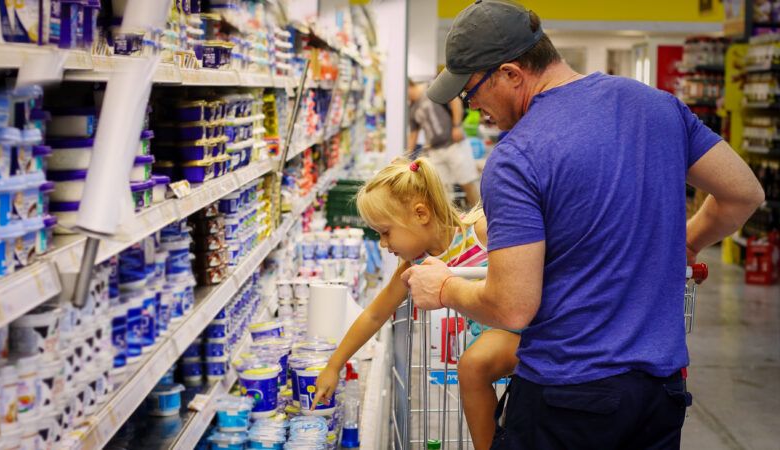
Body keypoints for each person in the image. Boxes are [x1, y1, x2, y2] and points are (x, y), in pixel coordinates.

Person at [402, 2, 765, 449]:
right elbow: (743, 193)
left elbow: (512, 307)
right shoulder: (658, 107)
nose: (472, 106)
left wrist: (444, 288)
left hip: (567, 399)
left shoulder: (517, 157)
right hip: (659, 396)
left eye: (470, 91)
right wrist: (688, 242)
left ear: (511, 74)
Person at [311, 157, 518, 449]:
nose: (383, 244)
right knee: (475, 368)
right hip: (494, 339)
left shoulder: (481, 232)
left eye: (385, 232)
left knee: (473, 367)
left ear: (420, 214)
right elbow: (375, 315)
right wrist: (334, 365)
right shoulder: (415, 265)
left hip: (523, 330)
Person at [408, 79, 481, 205]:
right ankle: (449, 216)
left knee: (467, 183)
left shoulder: (431, 88)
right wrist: (406, 157)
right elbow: (413, 134)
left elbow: (455, 101)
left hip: (454, 144)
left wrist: (457, 126)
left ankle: (480, 213)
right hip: (435, 150)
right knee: (441, 190)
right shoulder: (412, 108)